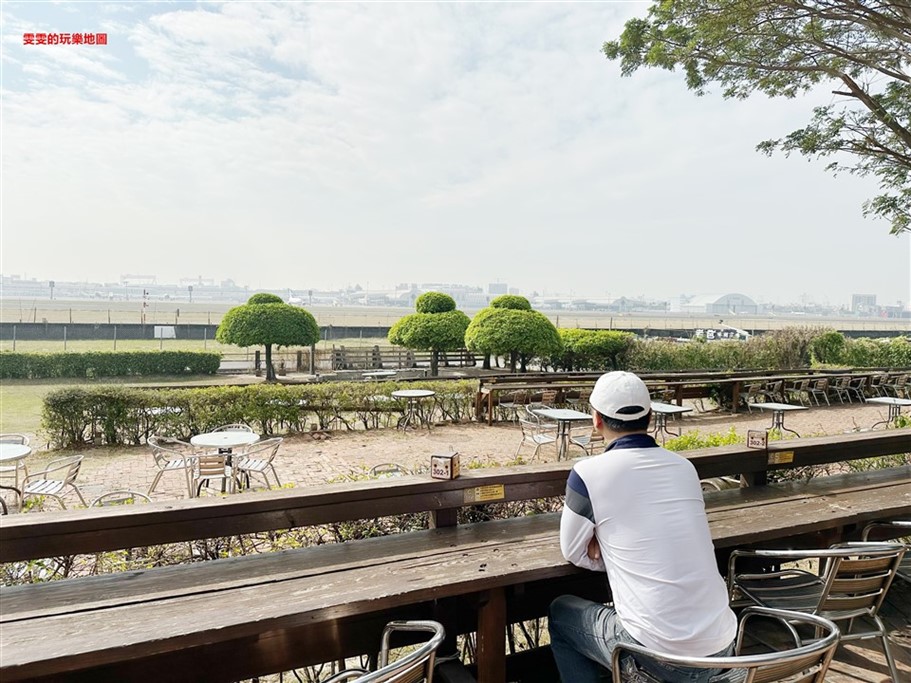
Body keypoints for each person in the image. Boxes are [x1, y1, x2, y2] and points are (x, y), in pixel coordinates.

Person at [548, 371, 737, 682]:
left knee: (560, 613)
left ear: (596, 420)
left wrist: (610, 550)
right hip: (723, 647)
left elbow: (572, 551)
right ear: (650, 417)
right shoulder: (685, 468)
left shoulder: (588, 473)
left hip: (660, 654)